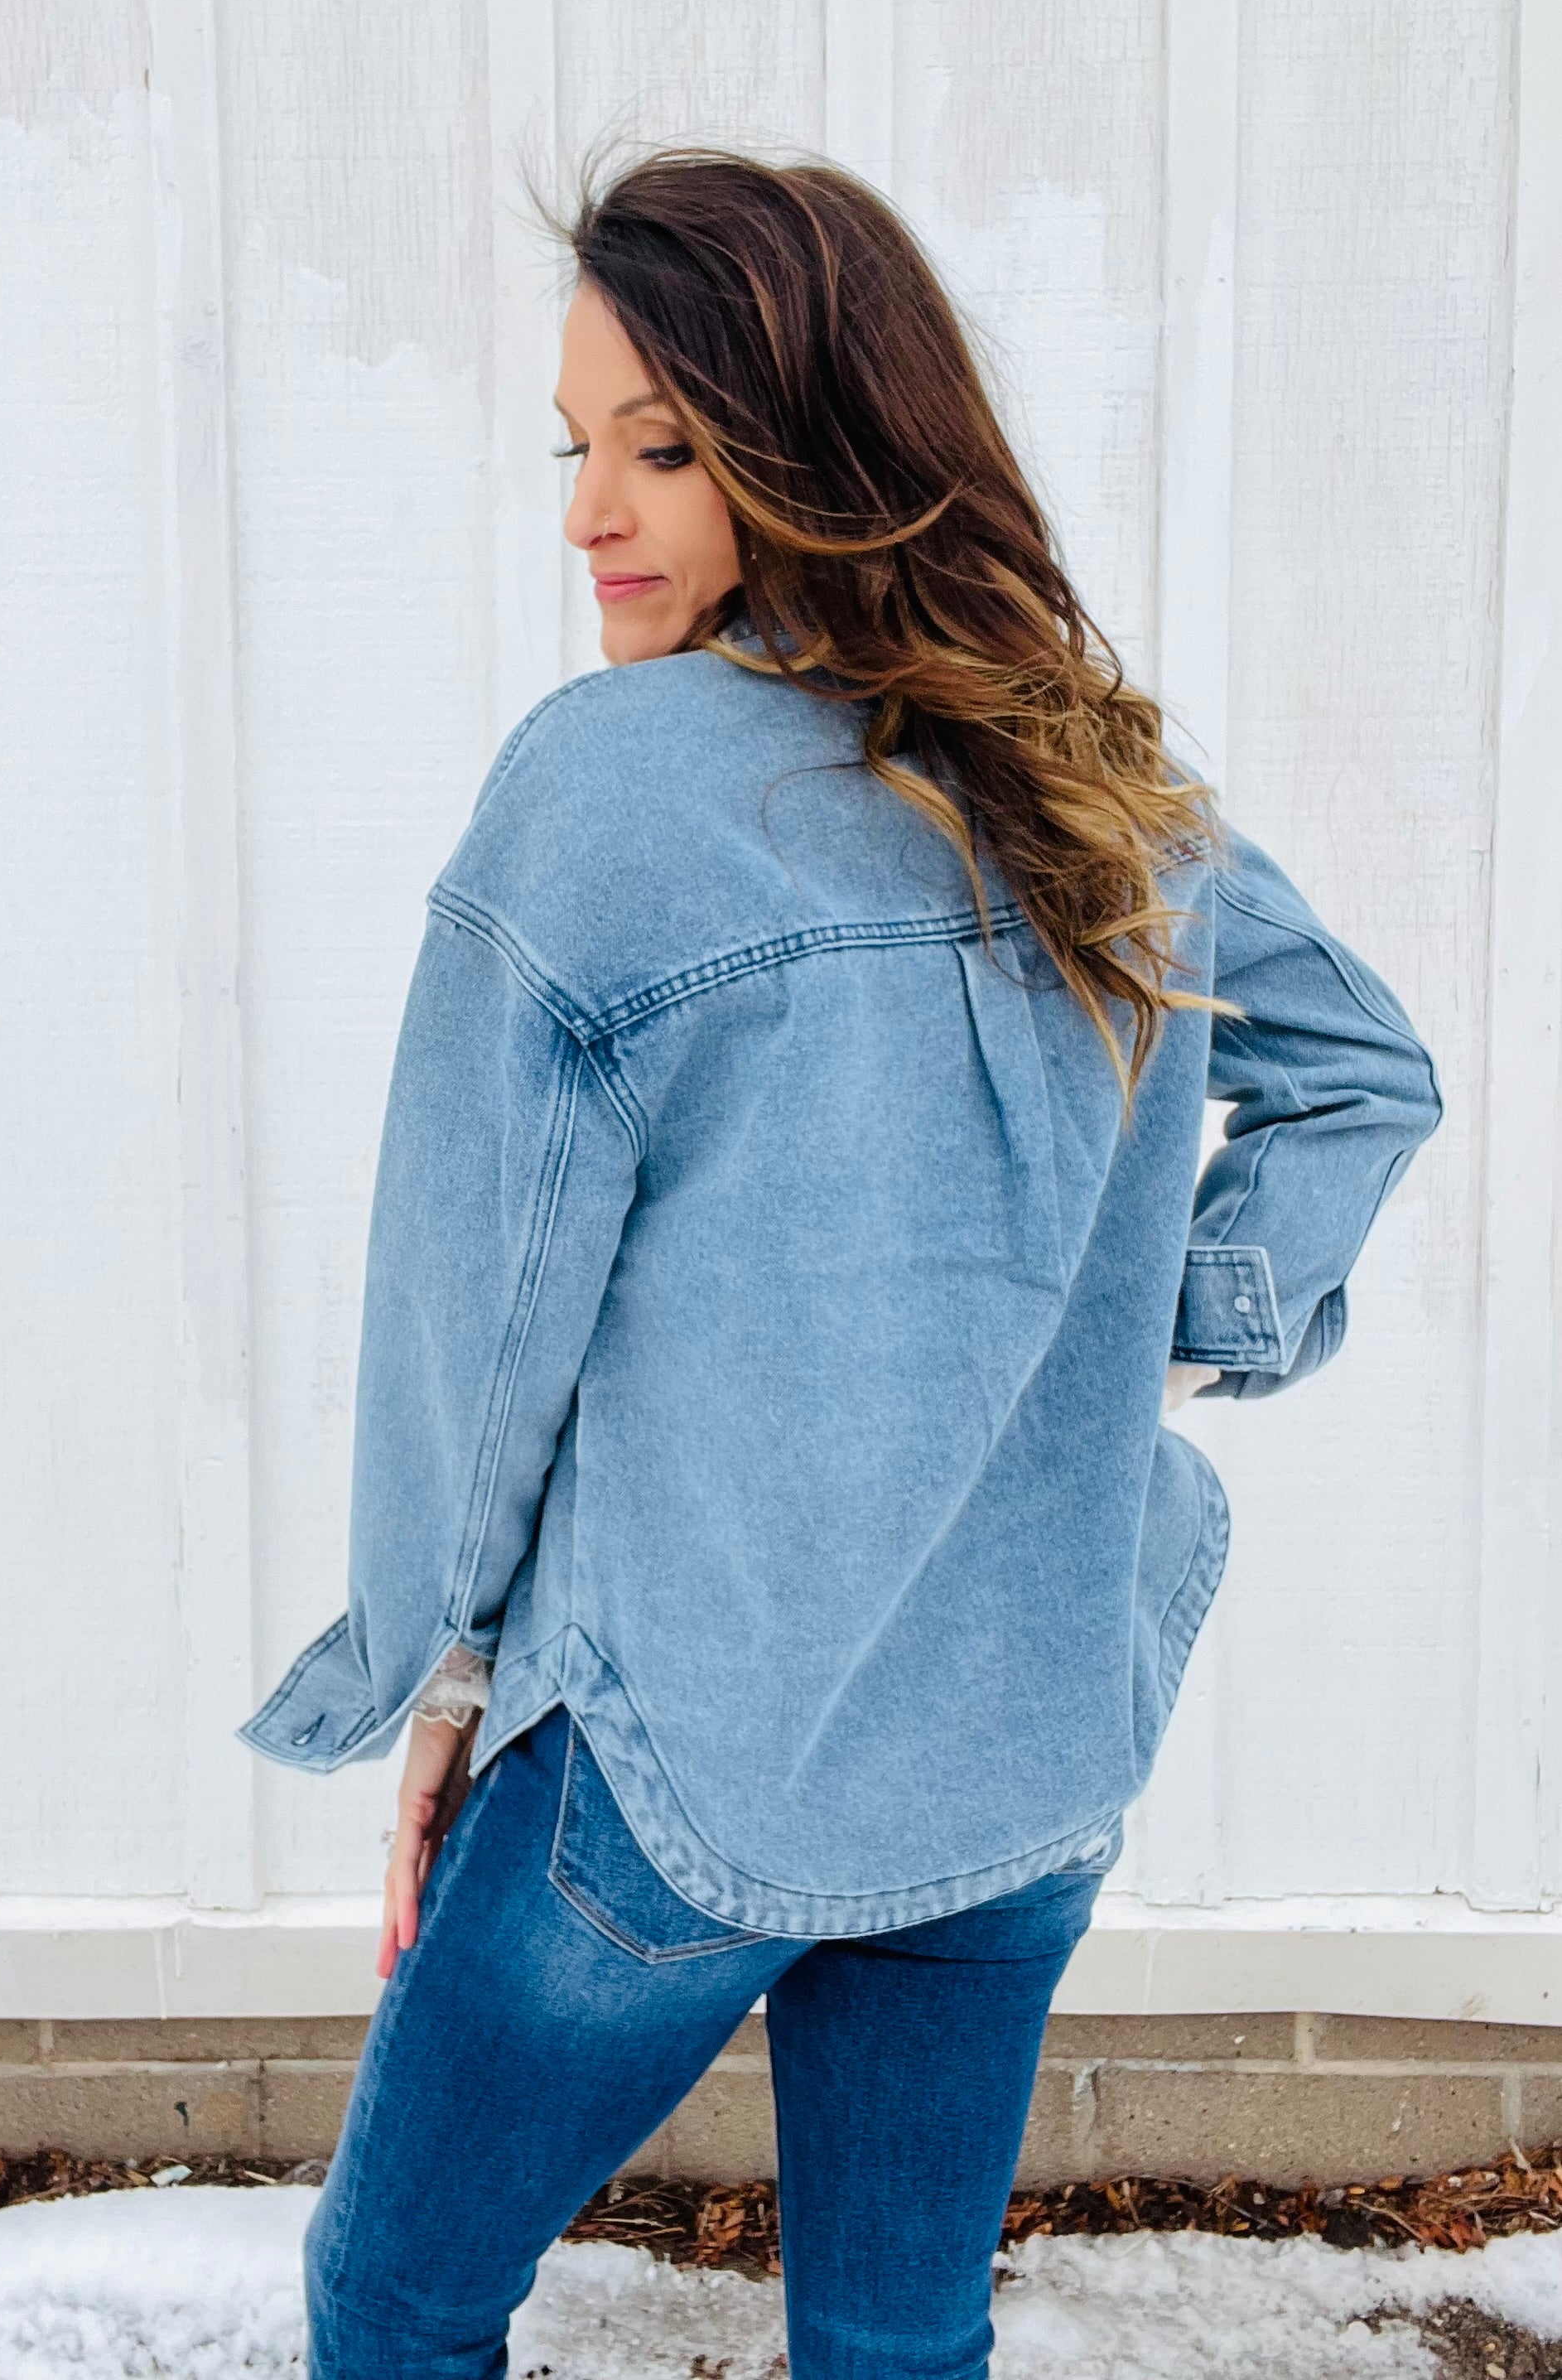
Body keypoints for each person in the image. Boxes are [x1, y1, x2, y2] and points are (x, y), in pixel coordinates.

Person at [237, 149, 1442, 2379]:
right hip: (1014, 1747)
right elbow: (1364, 1071)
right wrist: (1154, 1341)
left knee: (399, 2291)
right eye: (576, 451)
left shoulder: (605, 790)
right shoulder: (1083, 773)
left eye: (661, 450)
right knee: (896, 2343)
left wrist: (438, 1667)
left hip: (678, 1768)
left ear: (813, 446)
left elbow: (481, 1322)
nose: (591, 516)